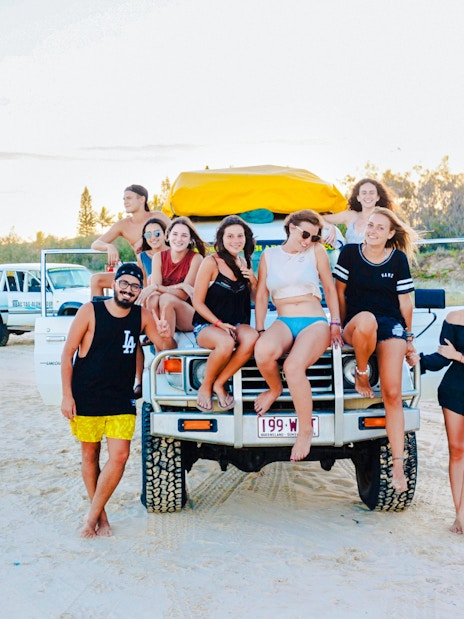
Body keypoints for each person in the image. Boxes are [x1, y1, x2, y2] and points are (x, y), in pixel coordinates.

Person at [61, 263, 174, 538]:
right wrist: (67, 395)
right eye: (124, 283)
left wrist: (164, 333)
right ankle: (102, 517)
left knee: (119, 457)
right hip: (86, 394)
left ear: (139, 291)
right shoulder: (91, 310)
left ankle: (90, 518)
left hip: (121, 397)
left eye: (135, 286)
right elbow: (67, 354)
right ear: (115, 284)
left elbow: (166, 350)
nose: (128, 290)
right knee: (90, 455)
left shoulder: (142, 315)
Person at [333, 206, 418, 494]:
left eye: (380, 227)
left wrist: (409, 340)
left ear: (391, 234)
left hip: (390, 326)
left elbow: (405, 302)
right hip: (357, 324)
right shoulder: (349, 255)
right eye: (370, 225)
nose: (373, 231)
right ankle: (361, 373)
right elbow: (339, 294)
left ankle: (396, 464)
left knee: (393, 394)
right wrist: (343, 327)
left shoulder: (398, 260)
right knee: (367, 319)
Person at [253, 210, 344, 462]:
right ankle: (274, 389)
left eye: (314, 237)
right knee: (262, 351)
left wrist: (335, 322)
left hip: (314, 320)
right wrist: (261, 329)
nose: (308, 240)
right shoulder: (269, 256)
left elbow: (329, 287)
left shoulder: (316, 252)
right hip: (283, 319)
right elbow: (261, 294)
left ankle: (305, 430)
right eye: (305, 233)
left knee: (293, 366)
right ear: (291, 227)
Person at [192, 215, 258, 412]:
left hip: (238, 323)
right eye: (230, 236)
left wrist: (252, 280)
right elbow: (197, 302)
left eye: (240, 236)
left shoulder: (246, 261)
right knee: (226, 342)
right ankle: (205, 386)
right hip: (208, 325)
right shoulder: (210, 262)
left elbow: (255, 299)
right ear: (221, 238)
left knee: (253, 338)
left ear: (246, 238)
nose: (235, 240)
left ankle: (220, 382)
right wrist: (219, 324)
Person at [419, 310, 464, 534]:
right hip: (454, 390)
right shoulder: (454, 318)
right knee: (456, 450)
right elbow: (442, 357)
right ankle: (460, 515)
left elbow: (453, 356)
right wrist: (418, 362)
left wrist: (460, 357)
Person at [90, 184, 170, 297]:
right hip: (142, 274)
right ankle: (96, 313)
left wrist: (144, 240)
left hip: (165, 270)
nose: (125, 202)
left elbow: (177, 235)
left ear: (142, 199)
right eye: (124, 199)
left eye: (129, 198)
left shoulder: (158, 216)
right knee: (96, 279)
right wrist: (109, 247)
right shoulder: (123, 225)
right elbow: (95, 244)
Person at [137, 217, 206, 339]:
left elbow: (183, 295)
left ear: (190, 240)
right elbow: (155, 291)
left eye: (184, 236)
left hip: (189, 315)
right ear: (168, 236)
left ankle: (165, 342)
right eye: (175, 234)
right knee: (153, 298)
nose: (179, 239)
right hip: (164, 313)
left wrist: (158, 286)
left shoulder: (196, 258)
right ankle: (156, 338)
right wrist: (178, 285)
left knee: (166, 298)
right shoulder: (158, 257)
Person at [323, 178, 394, 246]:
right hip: (347, 257)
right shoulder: (351, 216)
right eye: (364, 193)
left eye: (371, 193)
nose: (368, 196)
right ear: (358, 197)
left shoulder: (383, 219)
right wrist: (329, 226)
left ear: (378, 197)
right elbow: (318, 218)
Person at [136, 217, 168, 285]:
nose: (153, 238)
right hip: (153, 294)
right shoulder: (142, 257)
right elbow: (146, 285)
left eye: (157, 233)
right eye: (148, 234)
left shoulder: (176, 252)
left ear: (165, 234)